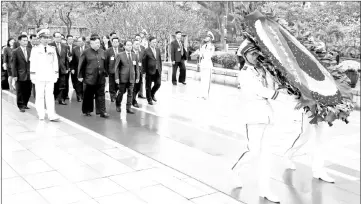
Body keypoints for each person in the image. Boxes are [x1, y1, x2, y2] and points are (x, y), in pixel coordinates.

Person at [232, 39, 298, 203]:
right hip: (253, 116)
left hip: (268, 116)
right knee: (253, 151)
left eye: (257, 53)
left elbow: (273, 86)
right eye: (253, 54)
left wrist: (280, 79)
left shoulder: (262, 70)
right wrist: (281, 96)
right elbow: (261, 91)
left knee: (266, 154)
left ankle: (265, 190)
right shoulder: (245, 73)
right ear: (245, 55)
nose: (256, 56)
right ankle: (235, 170)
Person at [29, 29, 60, 121]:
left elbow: (55, 62)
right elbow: (33, 63)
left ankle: (51, 114)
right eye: (44, 38)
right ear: (40, 38)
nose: (46, 40)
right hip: (39, 76)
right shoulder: (35, 49)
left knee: (50, 95)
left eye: (47, 38)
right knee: (39, 95)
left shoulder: (52, 49)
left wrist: (56, 74)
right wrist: (33, 76)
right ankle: (41, 114)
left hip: (50, 75)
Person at [78, 34, 109, 118]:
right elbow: (81, 65)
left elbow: (105, 64)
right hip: (90, 77)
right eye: (95, 43)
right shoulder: (86, 52)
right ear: (91, 44)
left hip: (101, 77)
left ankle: (102, 111)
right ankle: (87, 110)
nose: (98, 44)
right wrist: (80, 76)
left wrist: (106, 75)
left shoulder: (102, 51)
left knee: (101, 95)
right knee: (88, 95)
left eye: (98, 42)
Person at [114, 40, 140, 114]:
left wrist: (138, 77)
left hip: (132, 77)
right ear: (124, 46)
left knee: (130, 93)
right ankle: (118, 104)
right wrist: (117, 78)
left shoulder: (134, 55)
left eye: (131, 45)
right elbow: (116, 68)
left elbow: (137, 67)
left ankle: (128, 108)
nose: (130, 46)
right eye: (128, 45)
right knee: (121, 92)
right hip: (123, 78)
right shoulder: (120, 55)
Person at [12, 34, 32, 112]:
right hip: (20, 74)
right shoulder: (15, 51)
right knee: (20, 91)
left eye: (26, 40)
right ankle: (20, 105)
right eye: (24, 40)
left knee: (28, 90)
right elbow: (13, 64)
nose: (25, 42)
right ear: (20, 41)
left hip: (29, 74)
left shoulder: (30, 50)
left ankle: (25, 104)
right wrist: (14, 75)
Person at [50, 32, 69, 105]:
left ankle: (61, 99)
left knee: (62, 84)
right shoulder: (50, 45)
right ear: (54, 37)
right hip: (53, 69)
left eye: (60, 37)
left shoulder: (64, 46)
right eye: (57, 37)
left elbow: (66, 58)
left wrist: (67, 67)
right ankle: (54, 98)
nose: (59, 38)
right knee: (54, 84)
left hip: (62, 68)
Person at [142, 36, 162, 105]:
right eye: (153, 42)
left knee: (158, 83)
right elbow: (144, 62)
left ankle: (152, 94)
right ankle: (149, 99)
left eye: (155, 42)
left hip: (157, 70)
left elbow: (159, 60)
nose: (154, 43)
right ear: (149, 42)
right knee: (148, 86)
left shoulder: (158, 50)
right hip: (149, 71)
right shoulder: (146, 50)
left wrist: (160, 69)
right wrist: (144, 72)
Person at [104, 37, 124, 102]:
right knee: (111, 84)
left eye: (116, 42)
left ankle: (115, 93)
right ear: (112, 42)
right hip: (111, 70)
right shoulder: (108, 51)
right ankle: (112, 96)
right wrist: (106, 71)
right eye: (114, 42)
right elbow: (106, 62)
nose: (115, 43)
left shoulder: (121, 50)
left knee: (117, 84)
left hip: (119, 71)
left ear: (118, 43)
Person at [69, 36, 88, 102]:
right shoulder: (75, 49)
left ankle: (84, 95)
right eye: (78, 41)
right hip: (77, 68)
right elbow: (72, 60)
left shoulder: (88, 48)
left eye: (80, 41)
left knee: (85, 83)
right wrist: (72, 68)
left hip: (87, 69)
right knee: (78, 83)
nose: (78, 43)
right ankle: (79, 96)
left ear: (84, 41)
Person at [198, 31, 215, 100]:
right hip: (203, 64)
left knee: (207, 80)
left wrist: (204, 54)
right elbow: (200, 54)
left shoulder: (212, 46)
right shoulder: (203, 46)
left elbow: (210, 55)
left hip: (208, 64)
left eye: (207, 37)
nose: (206, 38)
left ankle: (206, 95)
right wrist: (200, 53)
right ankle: (202, 94)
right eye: (206, 37)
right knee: (202, 79)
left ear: (210, 38)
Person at [131, 39, 146, 107]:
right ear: (133, 45)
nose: (137, 45)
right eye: (136, 44)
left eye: (138, 44)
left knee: (137, 87)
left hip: (139, 73)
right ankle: (133, 100)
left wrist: (143, 71)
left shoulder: (141, 53)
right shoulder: (130, 53)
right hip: (131, 73)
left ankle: (133, 98)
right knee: (133, 87)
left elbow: (143, 63)